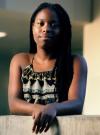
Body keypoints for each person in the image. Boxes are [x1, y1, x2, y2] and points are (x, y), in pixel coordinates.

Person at [8, 2, 87, 134]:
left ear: (63, 30)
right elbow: (14, 103)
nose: (46, 29)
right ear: (33, 26)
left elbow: (77, 103)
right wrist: (38, 109)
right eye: (41, 23)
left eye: (53, 24)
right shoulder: (20, 61)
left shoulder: (75, 62)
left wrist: (53, 108)